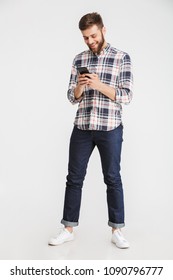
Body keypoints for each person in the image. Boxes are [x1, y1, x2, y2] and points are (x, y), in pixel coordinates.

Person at [49, 12, 133, 249]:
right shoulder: (79, 59)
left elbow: (126, 95)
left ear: (103, 30)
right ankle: (68, 229)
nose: (90, 41)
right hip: (83, 127)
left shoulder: (121, 58)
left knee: (113, 178)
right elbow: (71, 97)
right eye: (86, 38)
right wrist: (80, 86)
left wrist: (98, 85)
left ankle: (117, 230)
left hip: (110, 128)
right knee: (74, 179)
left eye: (93, 36)